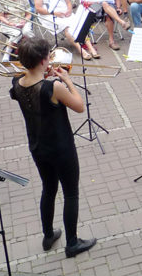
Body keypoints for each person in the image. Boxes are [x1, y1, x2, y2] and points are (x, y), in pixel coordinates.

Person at [10, 36, 96, 258]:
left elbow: (24, 89)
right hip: (61, 147)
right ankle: (72, 243)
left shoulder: (17, 82)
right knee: (71, 193)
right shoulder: (53, 87)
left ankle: (48, 235)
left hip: (38, 147)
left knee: (48, 189)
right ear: (42, 60)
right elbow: (79, 106)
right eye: (48, 56)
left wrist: (44, 76)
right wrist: (67, 80)